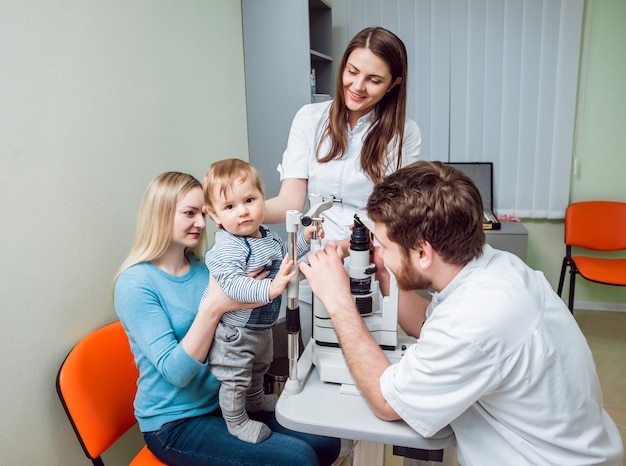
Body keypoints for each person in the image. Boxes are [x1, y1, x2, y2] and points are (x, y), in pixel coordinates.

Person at [298, 161, 624, 465]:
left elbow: (387, 404)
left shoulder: (475, 319)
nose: (377, 250)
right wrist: (385, 272)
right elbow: (428, 325)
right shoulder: (494, 267)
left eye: (383, 244)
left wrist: (338, 298)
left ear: (423, 252)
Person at [113, 171, 340, 465]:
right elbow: (176, 373)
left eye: (203, 213)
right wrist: (214, 306)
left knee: (325, 442)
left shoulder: (208, 269)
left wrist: (303, 246)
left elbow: (270, 277)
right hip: (175, 423)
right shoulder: (135, 283)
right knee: (298, 459)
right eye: (189, 213)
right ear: (161, 214)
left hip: (226, 401)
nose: (199, 223)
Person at [264, 26, 424, 343]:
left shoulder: (404, 133)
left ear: (394, 84)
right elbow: (291, 202)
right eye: (352, 72)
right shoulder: (309, 119)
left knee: (366, 355)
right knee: (315, 354)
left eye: (374, 80)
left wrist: (350, 247)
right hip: (317, 262)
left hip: (373, 261)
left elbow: (396, 219)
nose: (357, 86)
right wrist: (242, 211)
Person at [202, 159, 319, 444]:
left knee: (260, 367)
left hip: (260, 327)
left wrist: (303, 238)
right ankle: (236, 420)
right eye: (230, 207)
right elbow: (231, 285)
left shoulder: (267, 237)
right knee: (236, 378)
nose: (242, 212)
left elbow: (287, 256)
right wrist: (270, 288)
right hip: (235, 334)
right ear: (215, 216)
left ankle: (255, 402)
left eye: (250, 200)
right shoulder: (227, 245)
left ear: (262, 200)